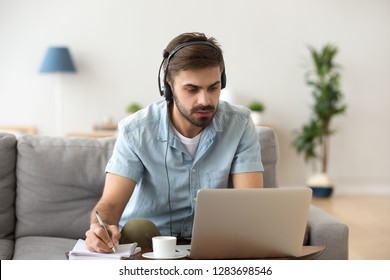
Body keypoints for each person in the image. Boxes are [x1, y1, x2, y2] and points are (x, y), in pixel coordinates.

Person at [85, 32, 264, 252]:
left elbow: (251, 203)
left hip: (212, 242)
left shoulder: (240, 124)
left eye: (213, 88)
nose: (205, 100)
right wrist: (99, 228)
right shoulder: (135, 131)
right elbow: (110, 205)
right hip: (149, 241)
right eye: (192, 89)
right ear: (168, 86)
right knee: (138, 228)